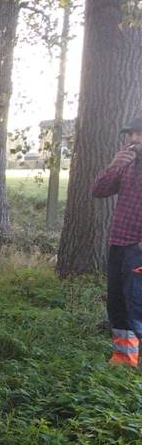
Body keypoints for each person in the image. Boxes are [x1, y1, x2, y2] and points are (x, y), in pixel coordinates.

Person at [95, 116, 142, 368]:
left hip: (139, 248)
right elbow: (98, 190)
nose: (134, 139)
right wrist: (113, 165)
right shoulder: (125, 163)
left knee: (138, 304)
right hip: (119, 244)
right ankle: (124, 358)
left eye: (139, 134)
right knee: (118, 302)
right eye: (131, 134)